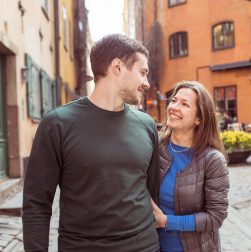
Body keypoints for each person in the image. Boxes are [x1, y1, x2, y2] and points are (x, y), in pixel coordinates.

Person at [22, 34, 160, 251]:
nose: (146, 83)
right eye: (142, 73)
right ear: (117, 67)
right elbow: (36, 204)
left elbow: (152, 191)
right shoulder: (58, 124)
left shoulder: (147, 125)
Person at [151, 80, 230, 251]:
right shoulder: (154, 147)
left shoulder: (212, 160)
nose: (174, 107)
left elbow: (215, 217)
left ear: (199, 119)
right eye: (174, 100)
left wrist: (166, 221)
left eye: (185, 104)